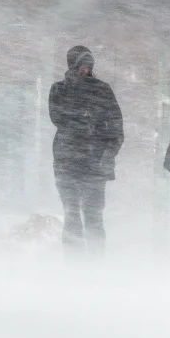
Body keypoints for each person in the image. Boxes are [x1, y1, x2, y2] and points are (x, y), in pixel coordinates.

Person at [49, 45, 124, 257]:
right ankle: (74, 265)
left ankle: (95, 264)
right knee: (72, 214)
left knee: (93, 217)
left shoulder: (102, 89)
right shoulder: (59, 89)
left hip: (94, 164)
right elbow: (58, 118)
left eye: (89, 65)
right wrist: (86, 118)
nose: (86, 69)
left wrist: (108, 153)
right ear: (72, 65)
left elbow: (116, 127)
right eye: (81, 65)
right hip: (67, 163)